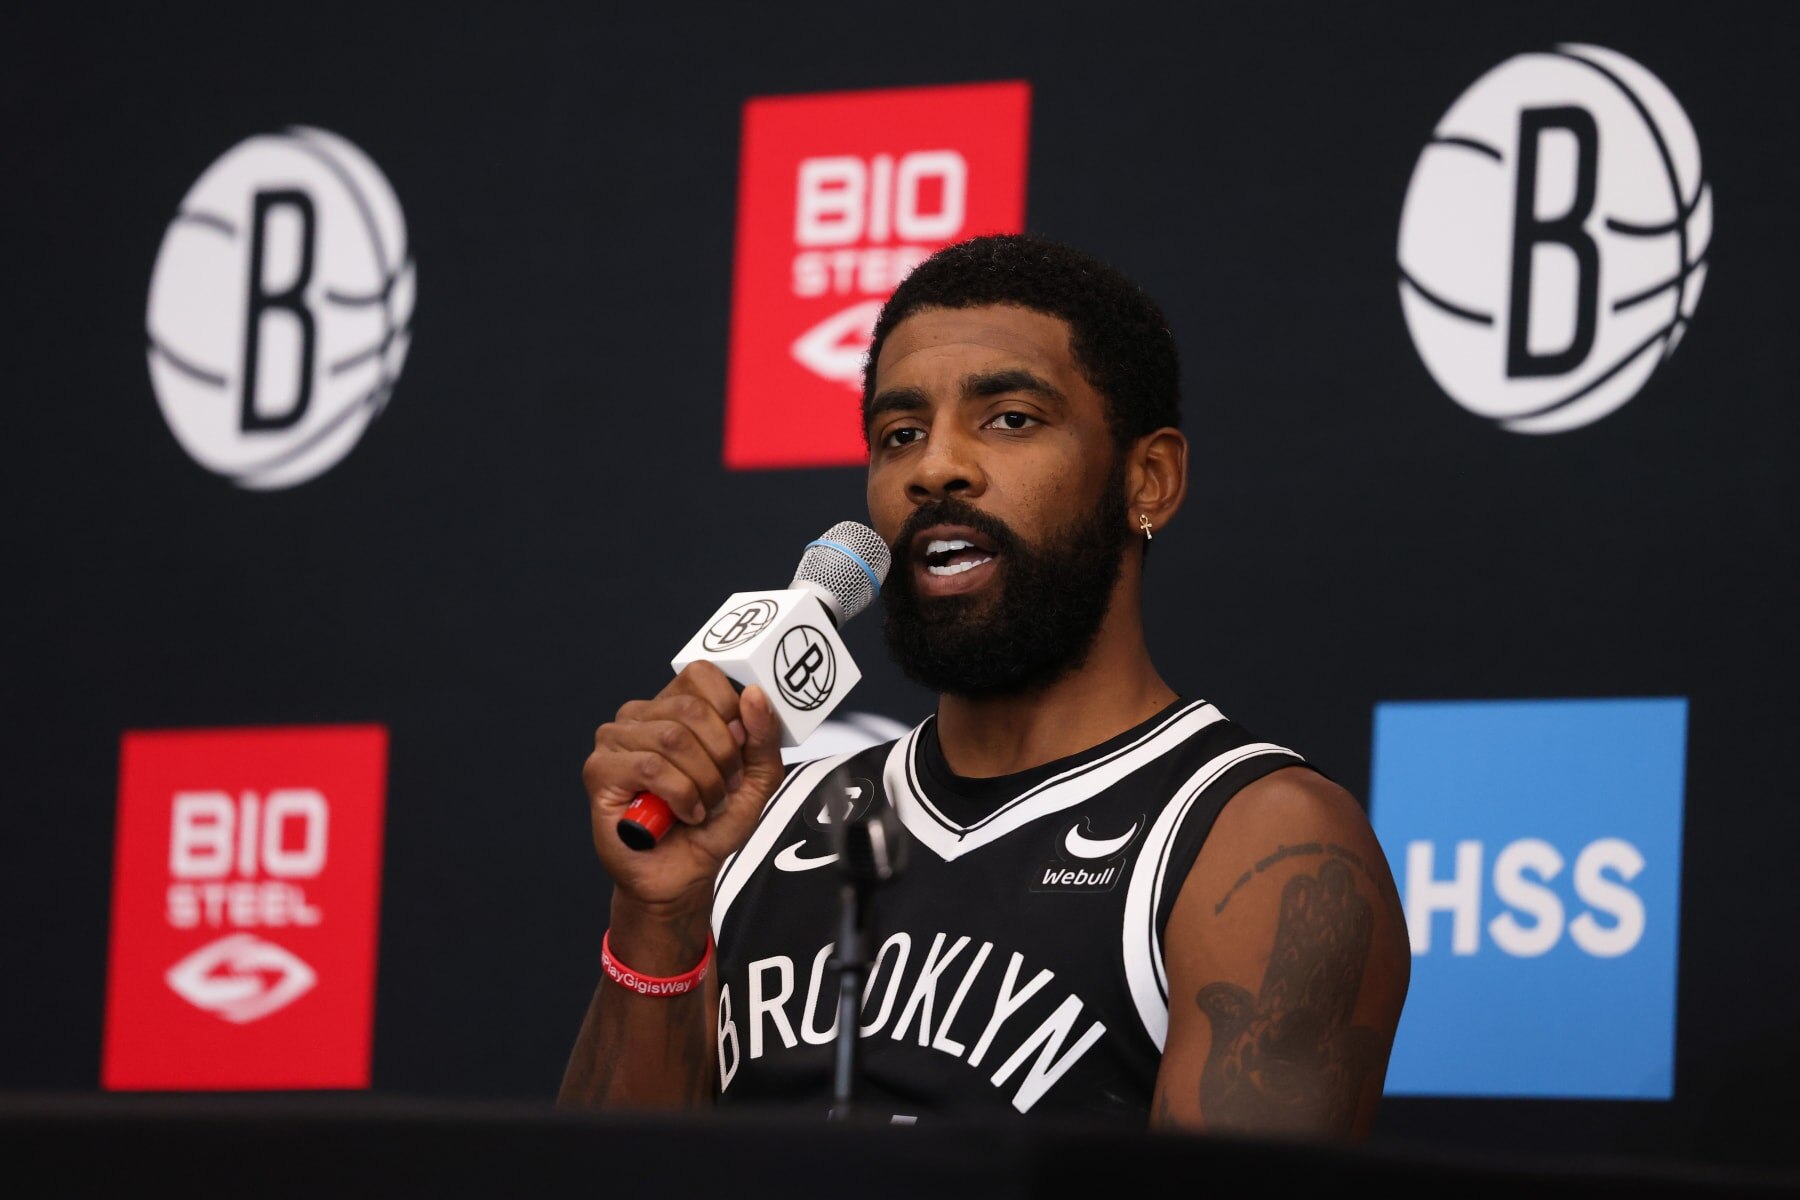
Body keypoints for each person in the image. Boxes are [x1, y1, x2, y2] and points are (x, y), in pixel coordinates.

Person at [559, 233, 1410, 1137]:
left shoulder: (1255, 842)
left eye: (1009, 418)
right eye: (900, 435)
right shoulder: (759, 820)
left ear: (1148, 479)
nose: (934, 468)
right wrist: (659, 916)